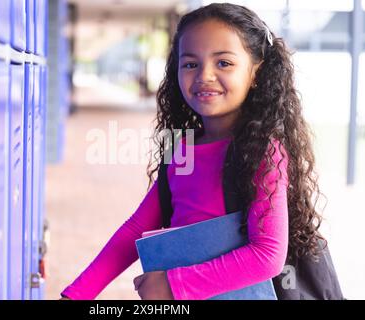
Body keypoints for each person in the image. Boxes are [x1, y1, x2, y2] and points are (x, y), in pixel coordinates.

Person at [60, 3, 325, 300]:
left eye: (223, 63)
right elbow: (137, 227)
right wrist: (78, 293)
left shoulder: (263, 151)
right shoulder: (180, 147)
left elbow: (267, 255)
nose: (204, 76)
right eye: (190, 64)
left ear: (256, 73)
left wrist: (173, 285)